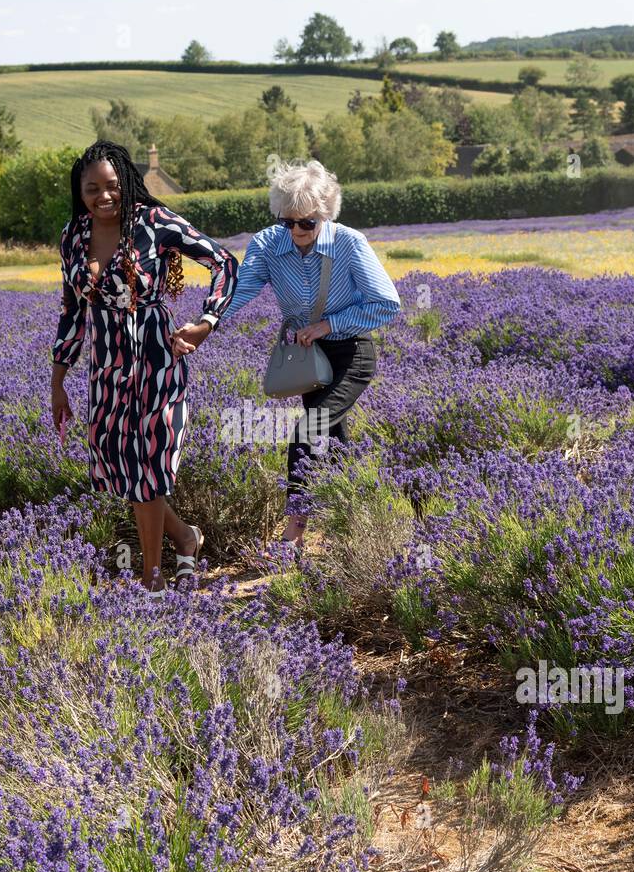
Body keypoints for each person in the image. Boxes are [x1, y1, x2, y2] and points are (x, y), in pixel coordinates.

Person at [51, 139, 238, 593]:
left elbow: (224, 262)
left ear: (127, 184)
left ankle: (152, 580)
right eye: (92, 188)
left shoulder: (154, 223)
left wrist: (205, 322)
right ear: (80, 191)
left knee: (147, 468)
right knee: (124, 470)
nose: (103, 196)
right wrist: (59, 378)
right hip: (107, 368)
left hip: (156, 359)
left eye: (112, 186)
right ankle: (185, 538)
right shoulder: (73, 236)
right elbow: (73, 310)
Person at [219, 158, 400, 549]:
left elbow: (387, 303)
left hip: (350, 354)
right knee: (334, 443)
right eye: (289, 221)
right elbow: (241, 291)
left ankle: (293, 534)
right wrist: (205, 323)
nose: (297, 230)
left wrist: (328, 324)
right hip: (309, 361)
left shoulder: (349, 243)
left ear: (325, 214)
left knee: (309, 428)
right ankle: (360, 525)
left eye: (307, 222)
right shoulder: (268, 244)